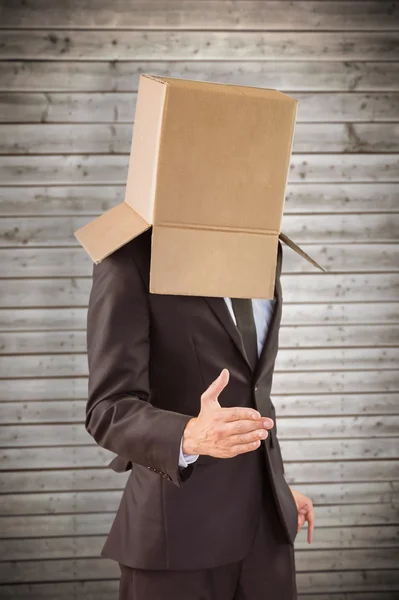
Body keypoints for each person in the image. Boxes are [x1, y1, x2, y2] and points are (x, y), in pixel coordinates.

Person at [85, 227, 315, 600]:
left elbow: (252, 390)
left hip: (268, 536)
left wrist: (272, 488)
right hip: (178, 541)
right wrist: (188, 434)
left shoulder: (264, 250)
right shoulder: (131, 258)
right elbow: (108, 408)